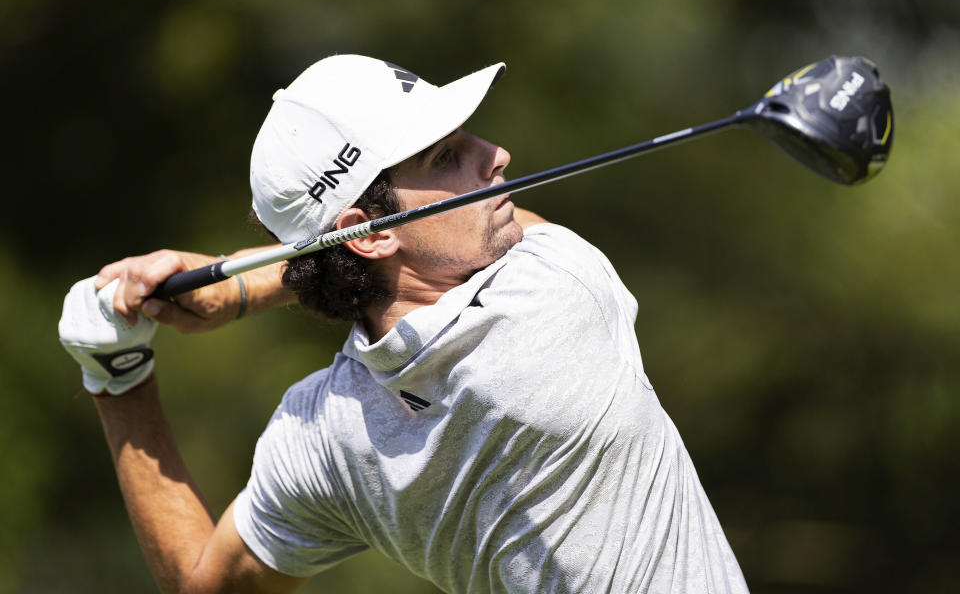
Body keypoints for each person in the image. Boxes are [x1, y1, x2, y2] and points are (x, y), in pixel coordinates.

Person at [58, 54, 749, 593]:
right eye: (446, 156)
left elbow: (201, 584)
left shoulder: (321, 440)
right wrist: (239, 285)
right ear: (369, 234)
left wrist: (117, 379)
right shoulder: (559, 294)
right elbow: (523, 226)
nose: (496, 154)